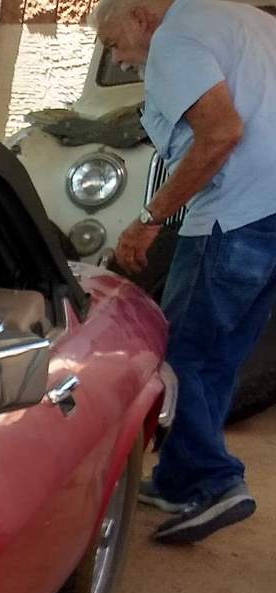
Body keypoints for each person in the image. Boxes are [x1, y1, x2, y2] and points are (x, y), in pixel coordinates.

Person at [97, 0, 276, 544]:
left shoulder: (175, 40)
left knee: (178, 356)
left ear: (140, 17)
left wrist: (148, 219)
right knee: (219, 356)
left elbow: (220, 134)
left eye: (113, 43)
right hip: (270, 214)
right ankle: (178, 480)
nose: (119, 59)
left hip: (234, 216)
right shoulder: (245, 20)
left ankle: (216, 480)